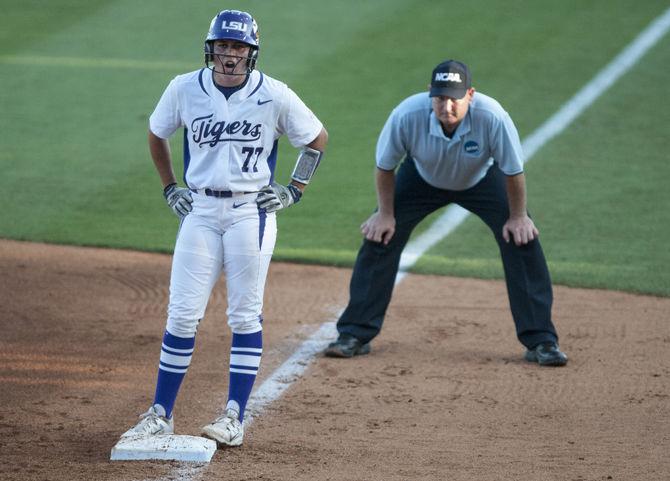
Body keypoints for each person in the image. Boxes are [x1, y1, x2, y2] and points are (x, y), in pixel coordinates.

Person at [120, 9, 327, 447]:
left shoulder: (274, 94)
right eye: (222, 46)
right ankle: (161, 413)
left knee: (244, 313)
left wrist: (294, 190)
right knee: (181, 312)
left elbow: (316, 138)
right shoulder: (183, 89)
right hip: (198, 211)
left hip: (251, 213)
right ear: (210, 48)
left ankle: (234, 415)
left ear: (251, 53)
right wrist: (169, 187)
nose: (228, 55)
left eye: (237, 48)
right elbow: (157, 134)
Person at [325, 60, 567, 367]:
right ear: (430, 95)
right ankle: (353, 335)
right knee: (380, 237)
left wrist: (518, 217)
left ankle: (542, 341)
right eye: (440, 98)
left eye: (454, 98)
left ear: (470, 94)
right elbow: (385, 167)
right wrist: (385, 214)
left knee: (522, 240)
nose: (447, 106)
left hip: (480, 179)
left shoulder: (492, 117)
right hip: (421, 178)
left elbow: (513, 171)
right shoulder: (406, 115)